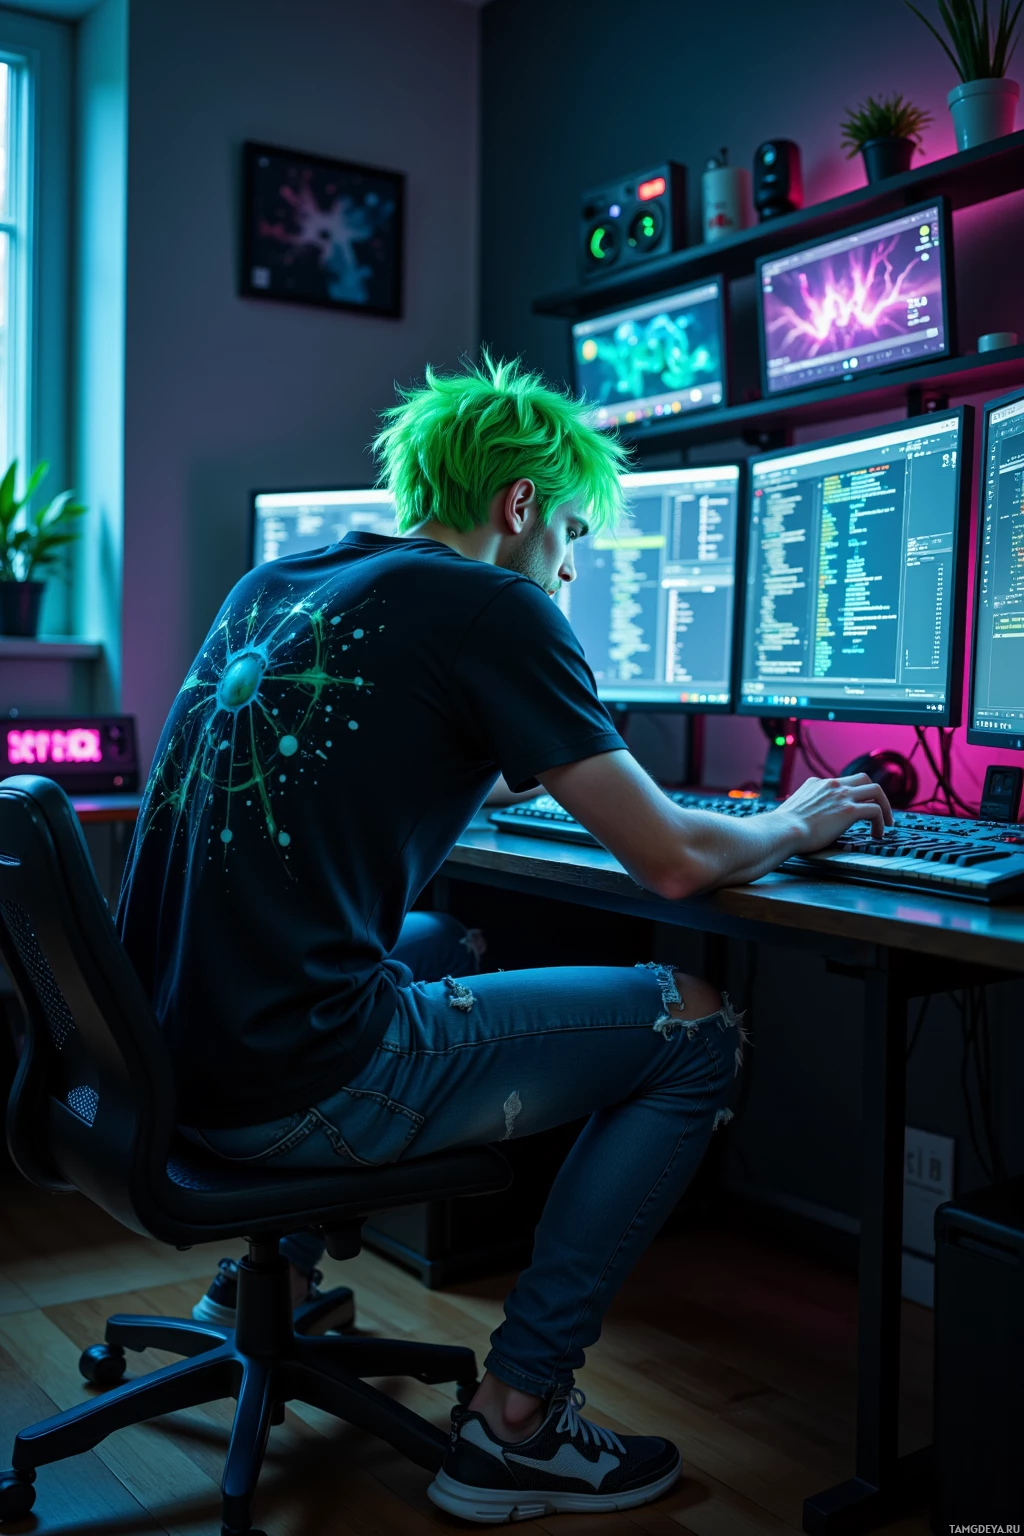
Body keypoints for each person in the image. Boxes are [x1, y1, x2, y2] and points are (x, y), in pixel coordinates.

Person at [117, 354, 892, 1523]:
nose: (572, 568)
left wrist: (483, 774)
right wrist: (793, 817)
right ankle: (518, 1419)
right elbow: (674, 860)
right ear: (519, 505)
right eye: (572, 531)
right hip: (295, 1082)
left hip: (165, 1063)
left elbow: (322, 772)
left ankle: (252, 1287)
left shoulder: (278, 583)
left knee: (437, 936)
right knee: (696, 1022)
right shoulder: (496, 605)